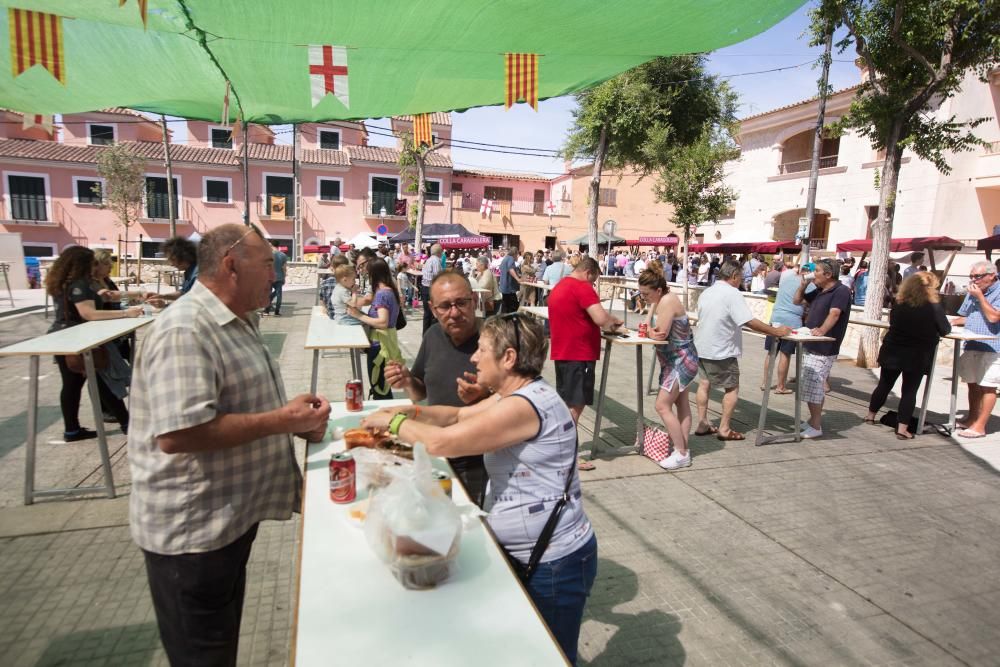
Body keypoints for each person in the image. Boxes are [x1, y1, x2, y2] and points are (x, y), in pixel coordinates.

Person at [128, 223, 331, 666]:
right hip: (192, 537)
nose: (275, 276)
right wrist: (282, 420)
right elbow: (180, 433)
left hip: (226, 525)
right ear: (231, 265)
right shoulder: (185, 329)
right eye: (267, 265)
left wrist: (292, 421)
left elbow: (237, 404)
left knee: (219, 642)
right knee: (204, 654)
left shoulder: (236, 319)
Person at [361, 313, 596, 664]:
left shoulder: (524, 406)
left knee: (551, 658)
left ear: (509, 358)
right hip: (533, 554)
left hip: (553, 563)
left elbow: (442, 443)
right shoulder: (514, 395)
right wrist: (410, 412)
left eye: (482, 350)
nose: (473, 357)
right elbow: (456, 416)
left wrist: (393, 422)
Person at [383, 270, 491, 503]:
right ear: (433, 309)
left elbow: (519, 398)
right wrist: (406, 381)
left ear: (473, 300)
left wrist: (486, 394)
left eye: (461, 303)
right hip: (435, 451)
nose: (454, 313)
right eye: (445, 306)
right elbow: (420, 391)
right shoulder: (433, 335)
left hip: (479, 461)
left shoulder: (493, 340)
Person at [45, 246, 143, 441]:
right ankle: (126, 423)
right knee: (102, 381)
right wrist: (125, 313)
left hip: (63, 338)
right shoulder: (79, 284)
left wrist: (137, 294)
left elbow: (107, 295)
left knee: (72, 385)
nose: (95, 266)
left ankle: (72, 430)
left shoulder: (63, 282)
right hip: (79, 340)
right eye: (92, 263)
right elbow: (88, 313)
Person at [694, 260, 791, 441]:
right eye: (740, 278)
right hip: (722, 349)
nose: (740, 281)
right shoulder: (732, 294)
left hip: (702, 346)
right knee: (731, 388)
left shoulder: (707, 292)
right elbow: (749, 321)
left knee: (704, 383)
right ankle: (724, 429)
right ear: (734, 276)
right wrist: (776, 331)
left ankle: (702, 423)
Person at [548, 257, 623, 471]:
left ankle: (560, 450)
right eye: (594, 280)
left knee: (566, 404)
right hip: (578, 355)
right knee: (574, 407)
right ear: (589, 273)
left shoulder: (561, 285)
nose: (593, 285)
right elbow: (600, 318)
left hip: (563, 353)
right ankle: (568, 455)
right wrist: (615, 323)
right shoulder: (582, 288)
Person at [865, 272, 951, 438]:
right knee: (909, 391)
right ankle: (902, 429)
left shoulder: (899, 302)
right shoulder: (933, 306)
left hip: (893, 350)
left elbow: (893, 323)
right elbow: (945, 329)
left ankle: (870, 416)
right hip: (917, 354)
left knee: (884, 384)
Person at [638, 267, 698, 470]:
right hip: (681, 359)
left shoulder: (667, 301)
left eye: (646, 294)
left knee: (662, 405)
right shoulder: (662, 299)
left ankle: (681, 453)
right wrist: (648, 326)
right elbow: (650, 326)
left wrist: (647, 333)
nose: (644, 297)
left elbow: (660, 334)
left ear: (658, 290)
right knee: (682, 404)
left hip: (679, 361)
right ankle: (682, 449)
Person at [792, 258, 852, 439]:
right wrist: (804, 285)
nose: (814, 273)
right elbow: (797, 300)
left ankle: (816, 425)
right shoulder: (820, 290)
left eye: (816, 271)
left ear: (828, 274)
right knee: (810, 384)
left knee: (814, 384)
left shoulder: (841, 291)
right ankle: (813, 420)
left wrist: (822, 330)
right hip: (811, 344)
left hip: (824, 347)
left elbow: (835, 313)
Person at [952, 261, 1000, 438]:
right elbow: (967, 316)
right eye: (971, 276)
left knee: (988, 386)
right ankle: (972, 419)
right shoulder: (972, 291)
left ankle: (980, 426)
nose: (973, 280)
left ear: (991, 276)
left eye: (977, 276)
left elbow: (994, 317)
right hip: (972, 343)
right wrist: (950, 322)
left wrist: (980, 296)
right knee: (972, 383)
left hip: (993, 347)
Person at [346, 259, 404, 400]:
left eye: (368, 274)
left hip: (380, 346)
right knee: (382, 386)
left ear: (374, 275)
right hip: (386, 343)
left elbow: (382, 322)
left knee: (379, 388)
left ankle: (384, 419)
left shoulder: (382, 294)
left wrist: (358, 315)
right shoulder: (390, 290)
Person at [762, 262, 810, 394]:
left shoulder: (786, 277)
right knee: (785, 353)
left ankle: (765, 383)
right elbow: (809, 301)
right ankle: (780, 386)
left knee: (771, 352)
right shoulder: (809, 284)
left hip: (776, 317)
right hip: (792, 320)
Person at [149, 236, 198, 307]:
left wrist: (166, 305)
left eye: (173, 260)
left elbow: (193, 303)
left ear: (184, 256)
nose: (171, 264)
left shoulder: (198, 274)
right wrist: (162, 296)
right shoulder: (190, 271)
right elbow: (183, 292)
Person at [420, 243, 443, 332]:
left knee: (427, 314)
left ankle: (425, 334)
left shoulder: (429, 260)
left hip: (425, 288)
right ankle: (431, 335)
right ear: (439, 252)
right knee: (433, 314)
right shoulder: (436, 261)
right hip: (431, 289)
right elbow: (437, 277)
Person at [265, 246, 289, 315]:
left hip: (269, 277)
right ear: (278, 247)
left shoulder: (268, 255)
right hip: (279, 277)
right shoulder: (283, 255)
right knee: (279, 294)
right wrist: (284, 277)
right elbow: (284, 268)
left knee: (268, 294)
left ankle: (267, 310)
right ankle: (277, 311)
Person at [498, 245, 520, 314]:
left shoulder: (505, 258)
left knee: (506, 307)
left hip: (504, 287)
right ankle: (511, 322)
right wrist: (518, 279)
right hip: (509, 288)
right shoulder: (511, 258)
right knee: (514, 307)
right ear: (515, 253)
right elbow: (511, 269)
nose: (517, 256)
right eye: (517, 254)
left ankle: (504, 322)